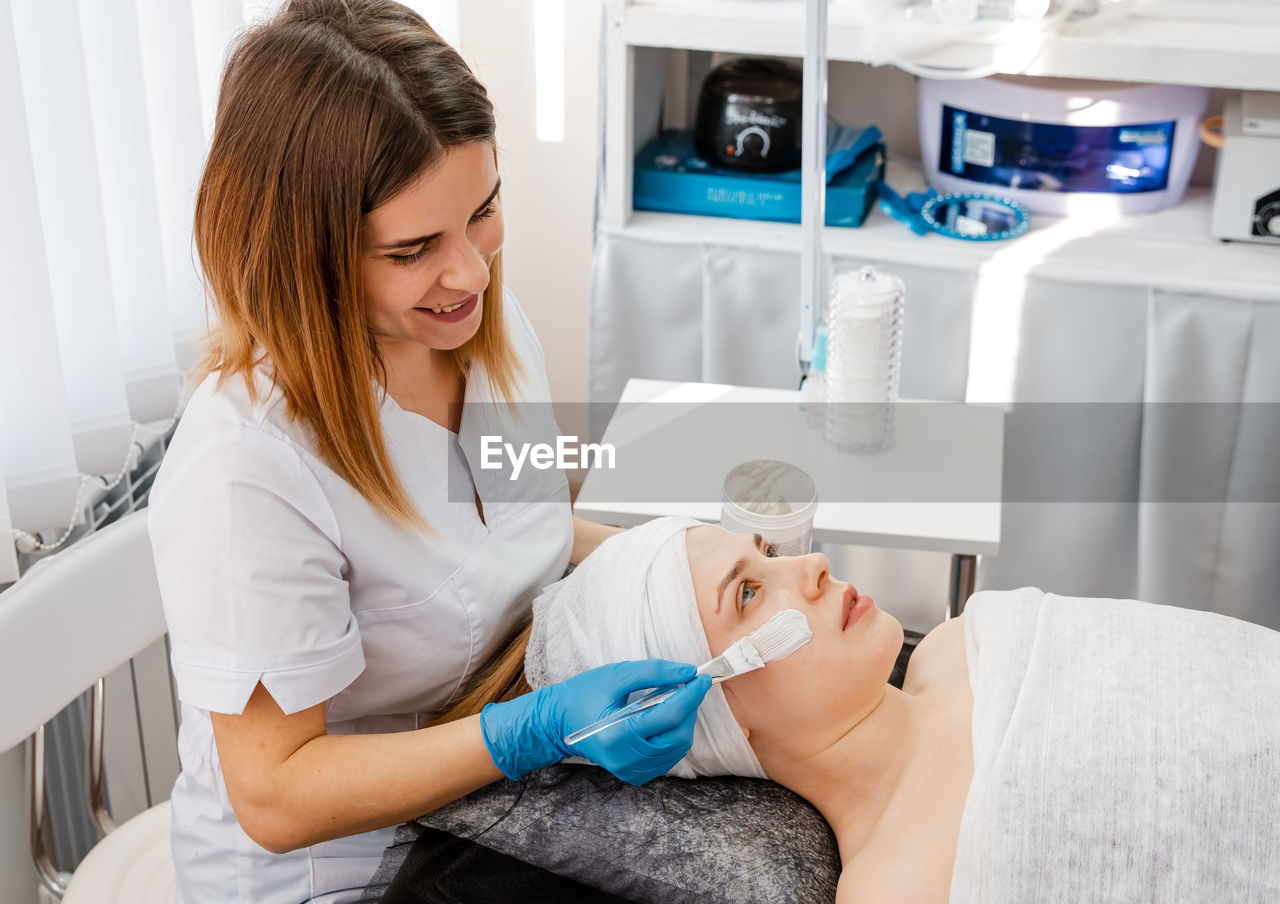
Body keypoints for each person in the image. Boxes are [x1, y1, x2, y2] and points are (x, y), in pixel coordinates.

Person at [146, 3, 710, 901]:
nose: (472, 271)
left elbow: (526, 525)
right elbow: (277, 794)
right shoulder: (247, 466)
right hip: (338, 867)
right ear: (303, 255)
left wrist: (688, 560)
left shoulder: (482, 325)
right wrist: (529, 733)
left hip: (494, 811)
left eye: (484, 209)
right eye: (413, 249)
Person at [441, 516, 1280, 904]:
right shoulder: (899, 889)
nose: (809, 566)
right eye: (748, 592)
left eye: (766, 555)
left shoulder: (964, 640)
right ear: (702, 702)